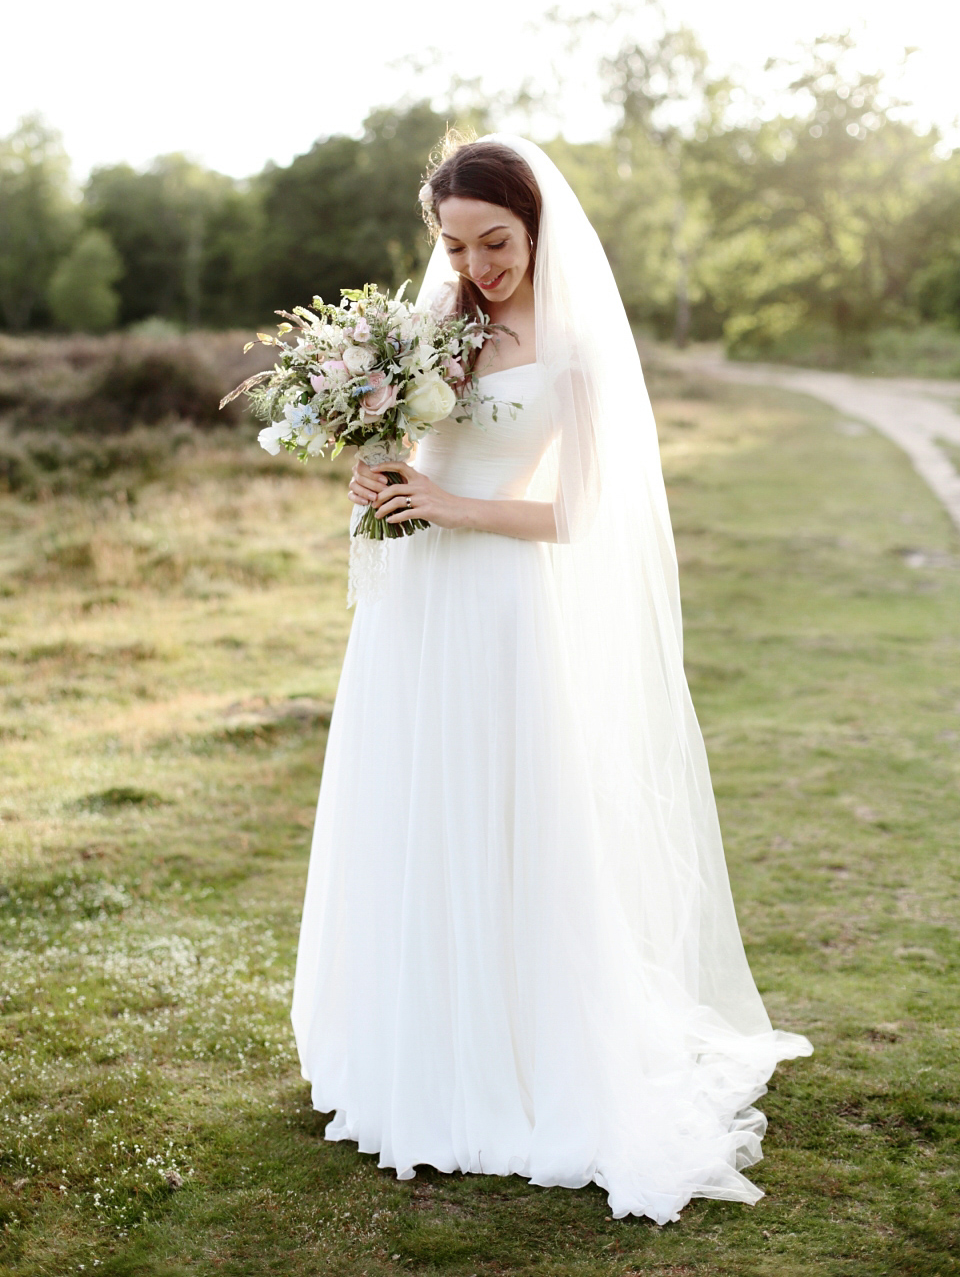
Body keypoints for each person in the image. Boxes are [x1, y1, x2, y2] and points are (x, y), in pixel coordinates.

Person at [291, 133, 811, 1224]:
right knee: (412, 809)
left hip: (497, 601)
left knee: (500, 813)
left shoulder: (574, 347)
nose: (479, 265)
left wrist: (452, 507)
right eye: (456, 243)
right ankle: (413, 1043)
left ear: (534, 229)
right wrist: (376, 470)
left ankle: (524, 1054)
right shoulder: (432, 331)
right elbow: (406, 456)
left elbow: (580, 513)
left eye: (496, 242)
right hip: (412, 608)